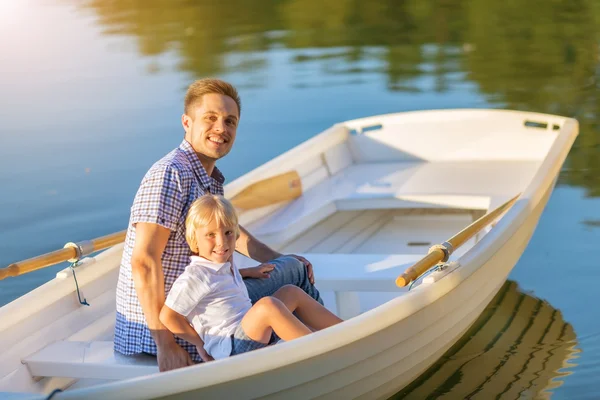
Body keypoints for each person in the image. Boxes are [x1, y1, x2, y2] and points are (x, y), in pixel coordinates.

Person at [115, 78, 322, 371]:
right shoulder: (170, 174)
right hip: (178, 323)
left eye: (230, 121)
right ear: (187, 122)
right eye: (210, 118)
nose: (221, 128)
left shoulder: (207, 177)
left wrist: (278, 259)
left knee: (291, 266)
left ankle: (321, 342)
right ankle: (323, 353)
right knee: (295, 276)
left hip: (207, 300)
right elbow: (144, 261)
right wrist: (166, 344)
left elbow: (234, 235)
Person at [159, 195, 342, 361]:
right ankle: (321, 355)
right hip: (231, 345)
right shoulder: (195, 276)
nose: (221, 242)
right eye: (210, 235)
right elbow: (168, 316)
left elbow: (221, 283)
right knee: (267, 306)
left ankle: (345, 333)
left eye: (228, 233)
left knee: (291, 292)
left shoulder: (221, 266)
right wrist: (200, 343)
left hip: (251, 331)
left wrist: (247, 272)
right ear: (194, 238)